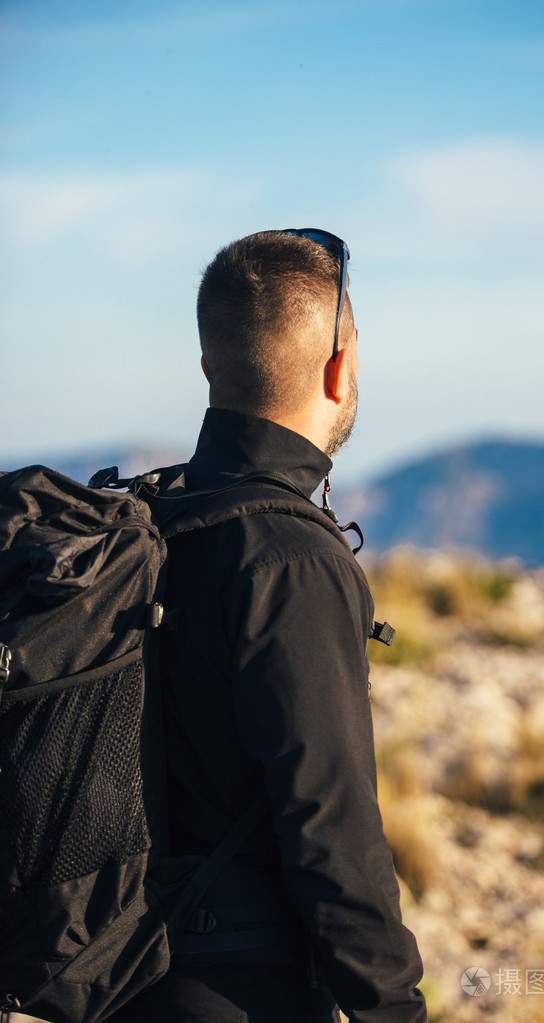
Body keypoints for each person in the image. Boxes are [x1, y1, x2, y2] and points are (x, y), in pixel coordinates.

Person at [110, 230, 427, 1023]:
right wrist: (394, 1008)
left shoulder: (143, 525)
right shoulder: (290, 558)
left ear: (211, 367)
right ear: (340, 369)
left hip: (116, 978)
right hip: (243, 987)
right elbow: (331, 830)